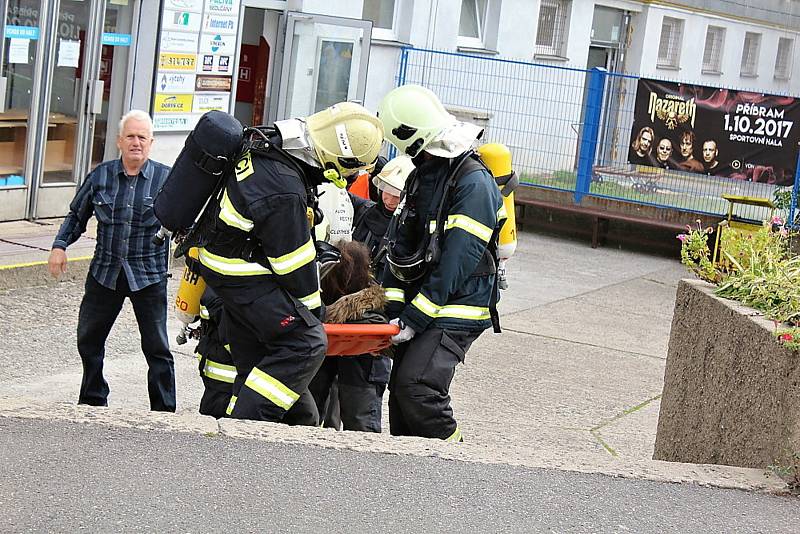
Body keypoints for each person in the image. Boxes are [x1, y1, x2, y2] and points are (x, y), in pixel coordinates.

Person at [191, 102, 384, 425]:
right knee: (307, 341)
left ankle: (295, 427)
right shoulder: (284, 188)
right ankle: (245, 428)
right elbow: (293, 264)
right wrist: (314, 313)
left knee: (283, 385)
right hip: (242, 274)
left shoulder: (277, 149)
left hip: (229, 268)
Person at [377, 84, 505, 441]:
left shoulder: (473, 183)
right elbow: (402, 243)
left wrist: (415, 317)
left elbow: (459, 260)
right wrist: (390, 308)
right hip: (429, 299)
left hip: (460, 304)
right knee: (400, 395)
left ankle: (460, 463)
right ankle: (412, 475)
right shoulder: (427, 172)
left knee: (418, 389)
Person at [47, 110, 175, 411]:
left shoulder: (167, 179)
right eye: (130, 136)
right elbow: (77, 215)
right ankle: (93, 398)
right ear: (119, 141)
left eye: (142, 137)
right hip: (105, 273)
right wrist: (60, 245)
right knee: (88, 340)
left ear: (151, 142)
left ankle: (164, 410)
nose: (136, 142)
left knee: (157, 348)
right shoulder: (100, 176)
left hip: (149, 276)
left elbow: (186, 221)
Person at [308, 155, 414, 432]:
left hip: (371, 332)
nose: (390, 198)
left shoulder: (409, 231)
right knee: (311, 405)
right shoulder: (366, 213)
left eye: (397, 193)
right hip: (337, 322)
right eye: (387, 190)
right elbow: (336, 191)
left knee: (360, 415)